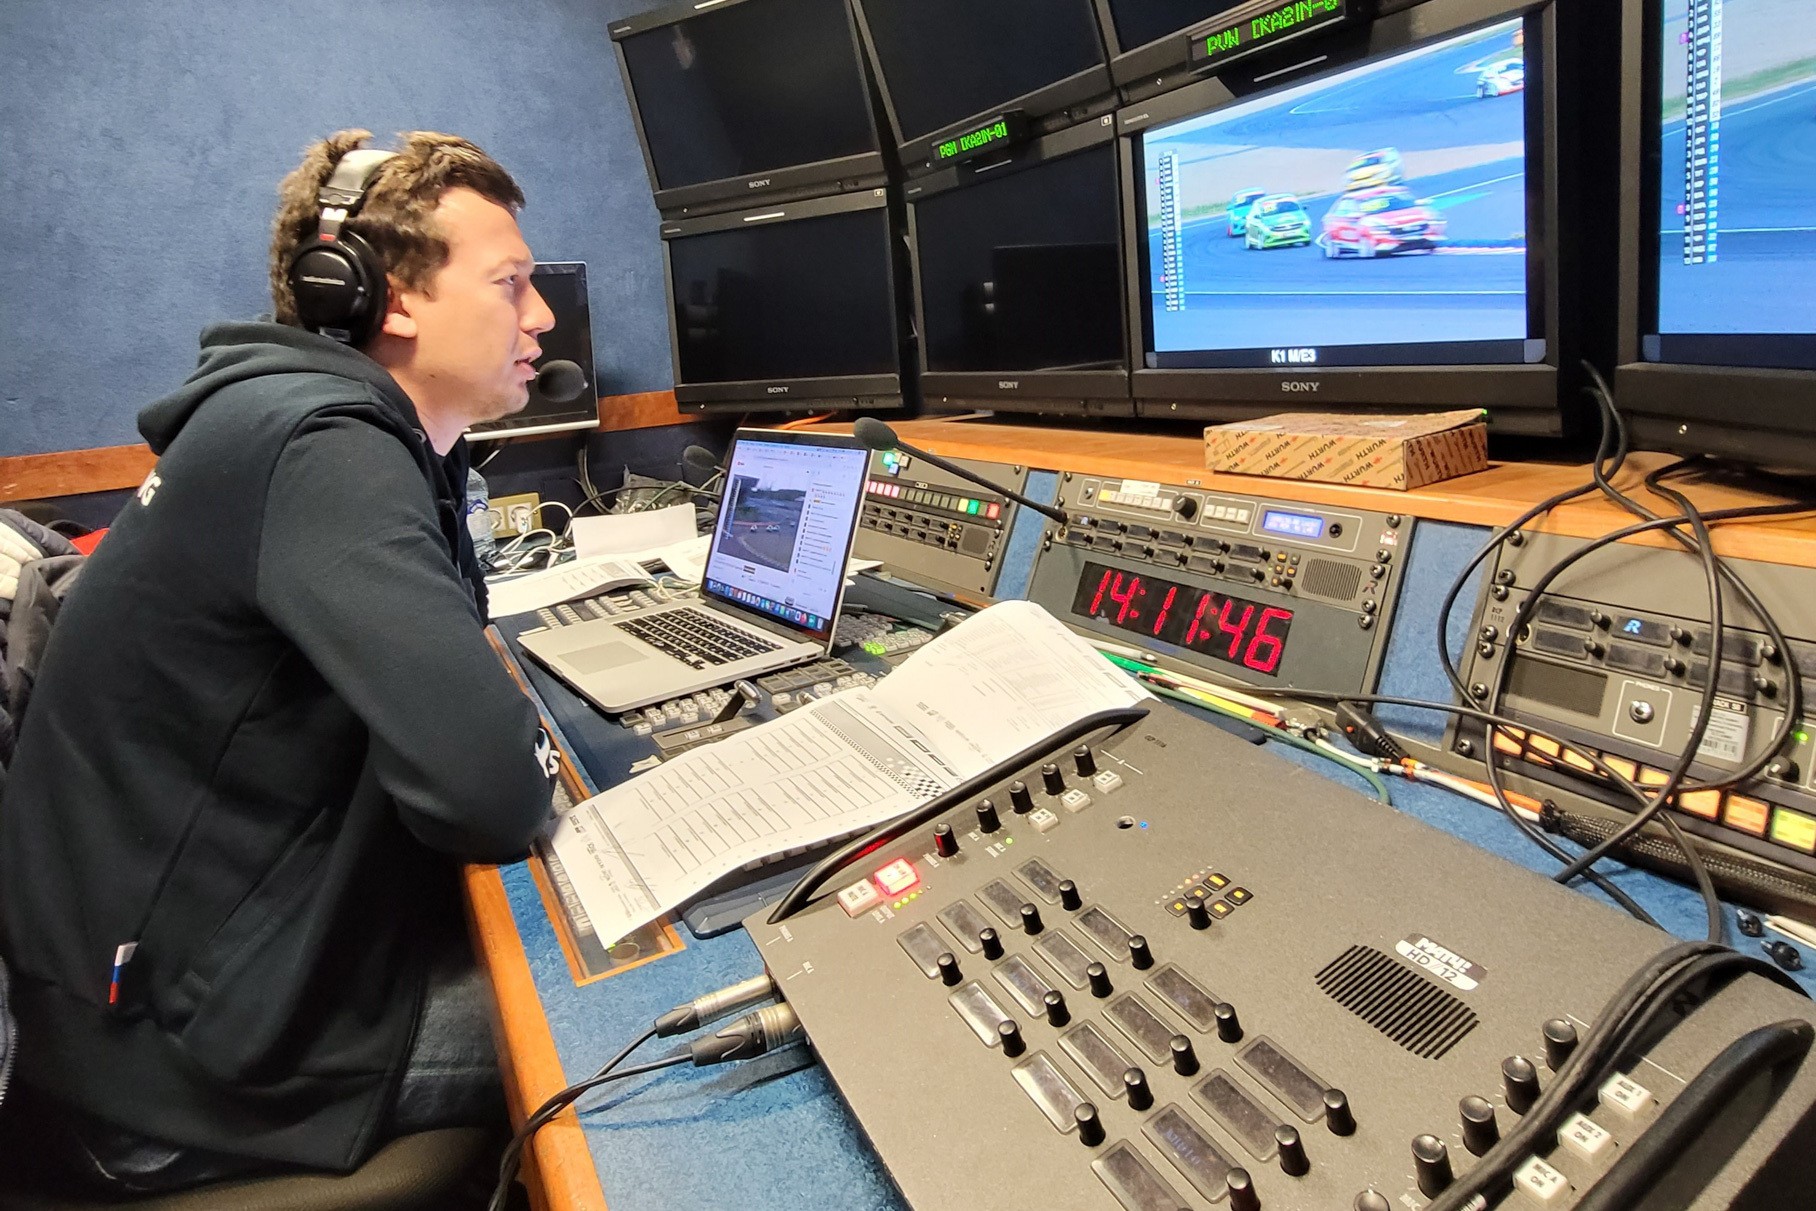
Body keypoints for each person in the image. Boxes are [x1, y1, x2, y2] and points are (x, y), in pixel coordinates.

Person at [0, 130, 559, 1192]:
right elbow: (488, 795)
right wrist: (520, 747)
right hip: (172, 1072)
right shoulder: (323, 446)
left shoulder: (281, 414)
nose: (540, 316)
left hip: (156, 1003)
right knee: (619, 998)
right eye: (509, 282)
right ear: (387, 296)